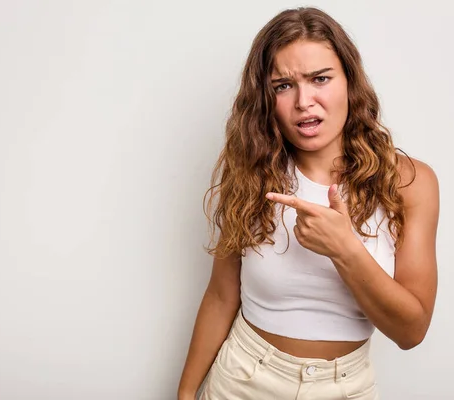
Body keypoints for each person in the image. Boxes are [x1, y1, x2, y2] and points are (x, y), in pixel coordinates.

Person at [178, 6, 439, 400]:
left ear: (350, 81)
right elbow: (220, 296)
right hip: (243, 380)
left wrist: (345, 249)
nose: (304, 101)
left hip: (345, 388)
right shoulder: (252, 172)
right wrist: (184, 394)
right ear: (267, 98)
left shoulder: (409, 182)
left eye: (320, 79)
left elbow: (411, 332)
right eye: (283, 85)